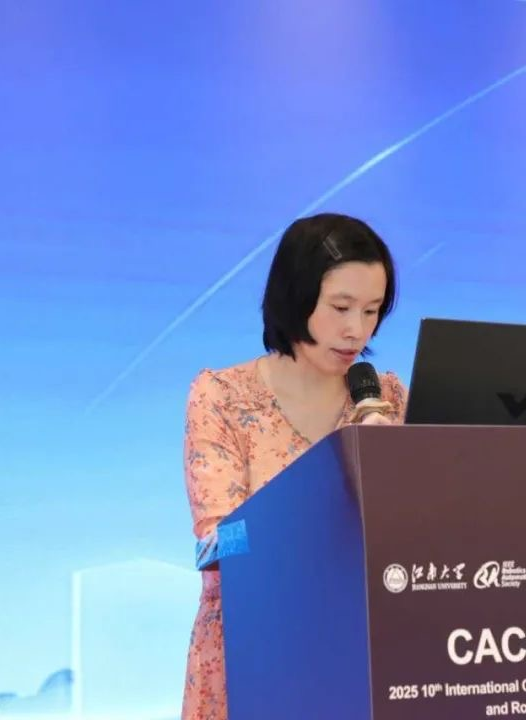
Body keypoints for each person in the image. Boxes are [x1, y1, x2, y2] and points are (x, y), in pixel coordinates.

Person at [181, 213, 407, 719]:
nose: (357, 330)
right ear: (295, 296)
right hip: (256, 653)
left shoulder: (385, 400)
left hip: (362, 652)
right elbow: (221, 541)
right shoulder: (221, 397)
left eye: (372, 311)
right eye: (340, 307)